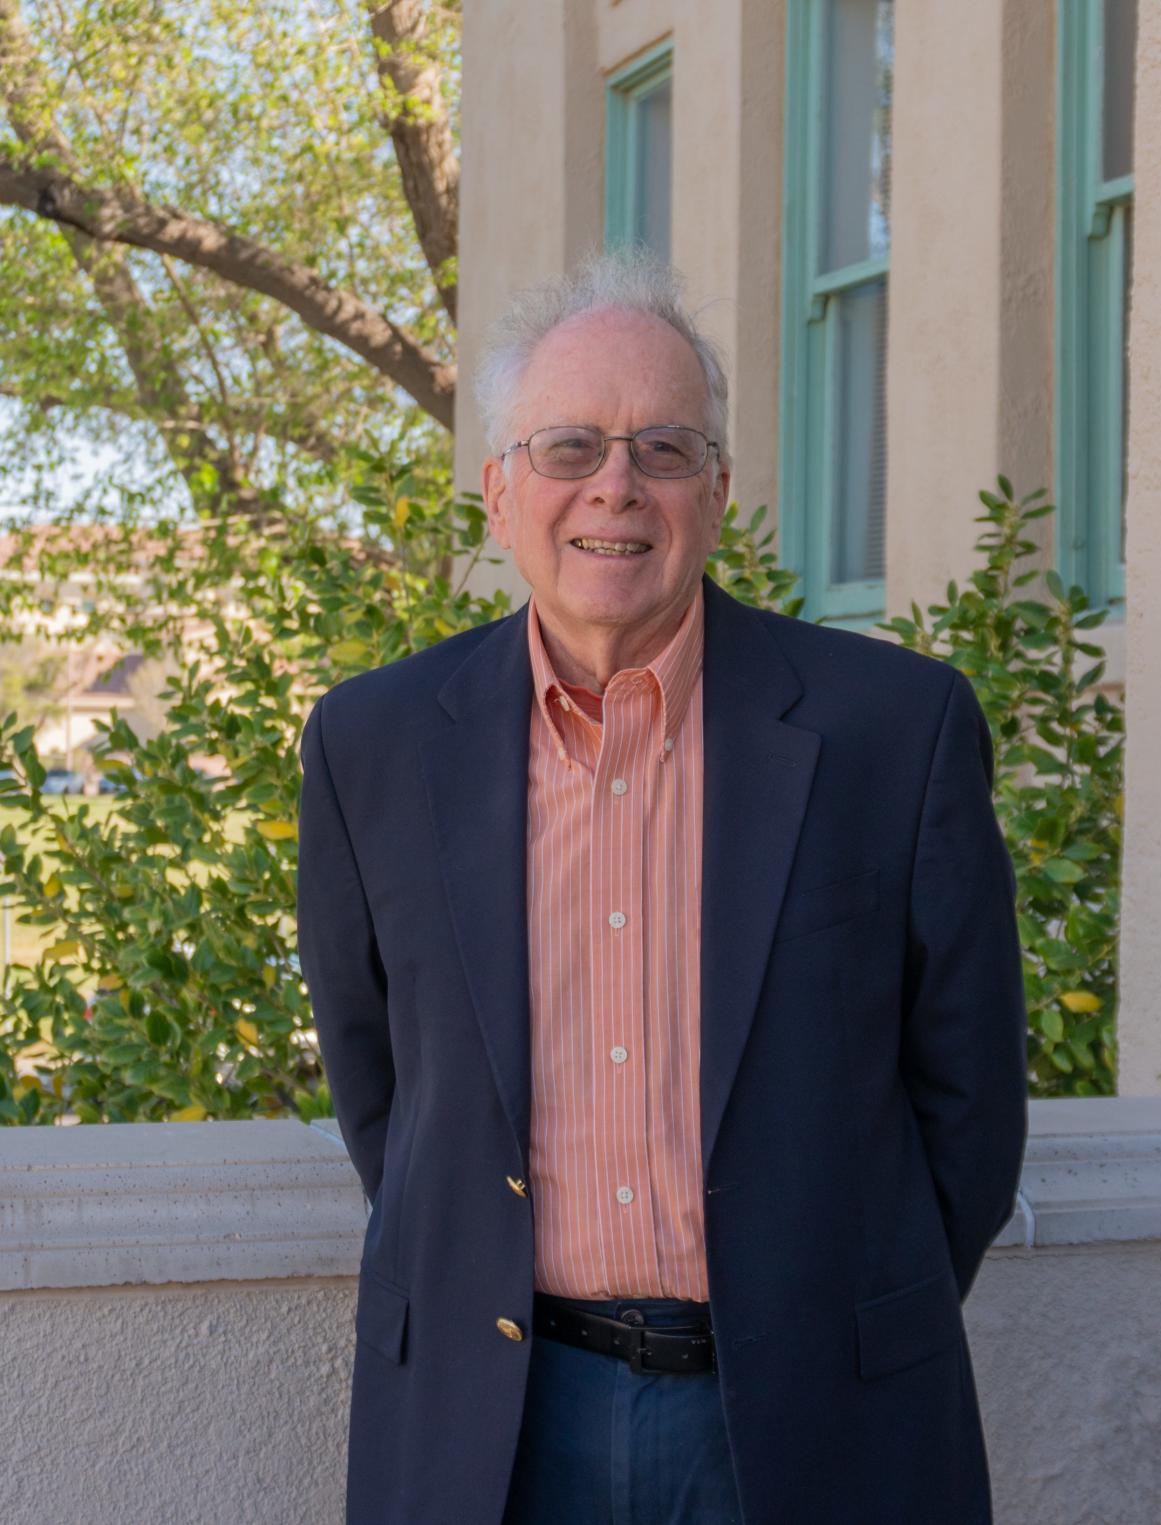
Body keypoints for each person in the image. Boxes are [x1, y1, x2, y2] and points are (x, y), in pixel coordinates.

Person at [296, 250, 1028, 1525]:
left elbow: (969, 1104)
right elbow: (387, 1098)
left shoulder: (893, 731)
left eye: (665, 450)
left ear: (720, 490)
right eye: (571, 446)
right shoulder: (374, 747)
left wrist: (829, 1317)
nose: (615, 488)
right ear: (500, 490)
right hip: (494, 1426)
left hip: (815, 1420)